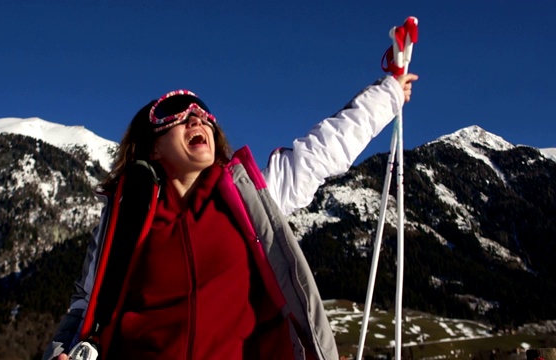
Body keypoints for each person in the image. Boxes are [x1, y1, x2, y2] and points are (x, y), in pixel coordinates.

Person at [43, 73, 417, 360]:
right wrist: (59, 351)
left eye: (203, 114)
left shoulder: (249, 195)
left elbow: (323, 149)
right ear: (153, 148)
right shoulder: (127, 218)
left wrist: (387, 94)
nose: (197, 119)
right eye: (178, 114)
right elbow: (85, 306)